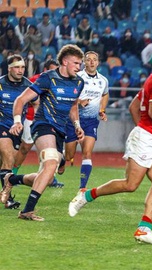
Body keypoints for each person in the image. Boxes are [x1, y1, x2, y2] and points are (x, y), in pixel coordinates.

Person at [68, 44, 152, 245]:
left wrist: (144, 129)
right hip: (147, 139)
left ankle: (144, 228)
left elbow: (133, 106)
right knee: (130, 185)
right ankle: (87, 195)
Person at [1, 44, 86, 221]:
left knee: (45, 177)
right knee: (51, 162)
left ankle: (12, 179)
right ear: (65, 61)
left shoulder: (79, 82)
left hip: (60, 131)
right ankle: (27, 211)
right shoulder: (48, 78)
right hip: (43, 125)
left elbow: (73, 105)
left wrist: (77, 125)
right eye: (76, 63)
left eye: (80, 64)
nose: (79, 67)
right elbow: (21, 99)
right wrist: (17, 121)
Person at [12, 59, 61, 189]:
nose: (55, 72)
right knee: (25, 148)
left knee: (48, 150)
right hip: (31, 118)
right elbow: (23, 98)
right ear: (45, 69)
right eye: (52, 69)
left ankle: (48, 177)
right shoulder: (34, 80)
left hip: (51, 122)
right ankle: (13, 174)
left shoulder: (59, 81)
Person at [63, 51, 109, 190]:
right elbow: (66, 97)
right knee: (69, 155)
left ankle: (82, 188)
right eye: (88, 60)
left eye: (94, 59)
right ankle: (62, 159)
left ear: (98, 62)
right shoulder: (77, 77)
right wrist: (79, 102)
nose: (92, 62)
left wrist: (102, 110)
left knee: (87, 153)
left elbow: (105, 94)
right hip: (74, 120)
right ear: (84, 62)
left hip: (90, 121)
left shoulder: (103, 80)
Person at [0, 54, 31, 209]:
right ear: (9, 69)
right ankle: (8, 198)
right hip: (2, 125)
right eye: (17, 67)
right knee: (8, 157)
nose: (20, 70)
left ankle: (5, 190)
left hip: (18, 129)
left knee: (6, 163)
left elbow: (38, 102)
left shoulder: (28, 85)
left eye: (23, 67)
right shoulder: (0, 84)